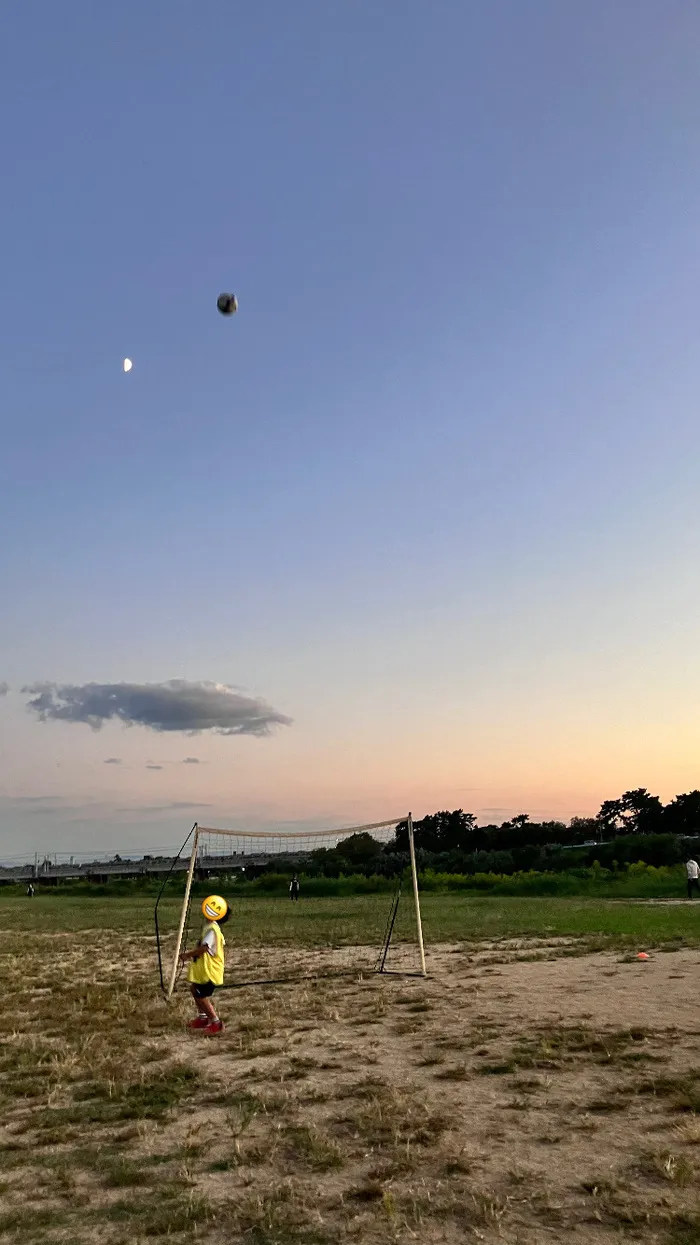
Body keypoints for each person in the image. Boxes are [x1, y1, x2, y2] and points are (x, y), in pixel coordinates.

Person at [180, 894, 229, 1034]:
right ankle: (203, 1017)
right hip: (204, 969)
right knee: (194, 989)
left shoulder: (213, 930)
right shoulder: (209, 927)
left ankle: (216, 1022)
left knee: (200, 995)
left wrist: (187, 955)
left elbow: (205, 948)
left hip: (210, 971)